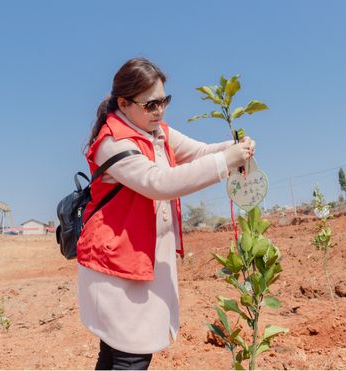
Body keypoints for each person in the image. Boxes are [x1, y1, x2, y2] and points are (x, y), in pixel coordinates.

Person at [76, 57, 255, 370]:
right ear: (123, 103)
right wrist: (226, 161)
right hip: (116, 266)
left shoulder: (156, 133)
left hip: (135, 261)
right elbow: (160, 183)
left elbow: (198, 151)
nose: (159, 110)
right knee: (132, 355)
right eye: (150, 104)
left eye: (164, 101)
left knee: (117, 353)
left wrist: (234, 147)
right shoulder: (114, 143)